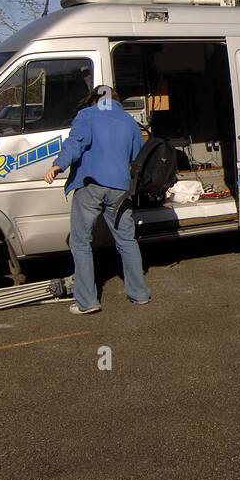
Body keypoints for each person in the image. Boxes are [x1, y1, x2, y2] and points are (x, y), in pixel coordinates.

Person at [44, 85, 151, 314]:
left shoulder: (87, 115)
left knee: (81, 242)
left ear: (93, 99)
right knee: (126, 241)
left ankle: (87, 302)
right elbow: (136, 155)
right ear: (115, 100)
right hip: (121, 188)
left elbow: (76, 143)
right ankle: (139, 294)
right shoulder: (128, 121)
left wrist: (58, 165)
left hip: (92, 185)